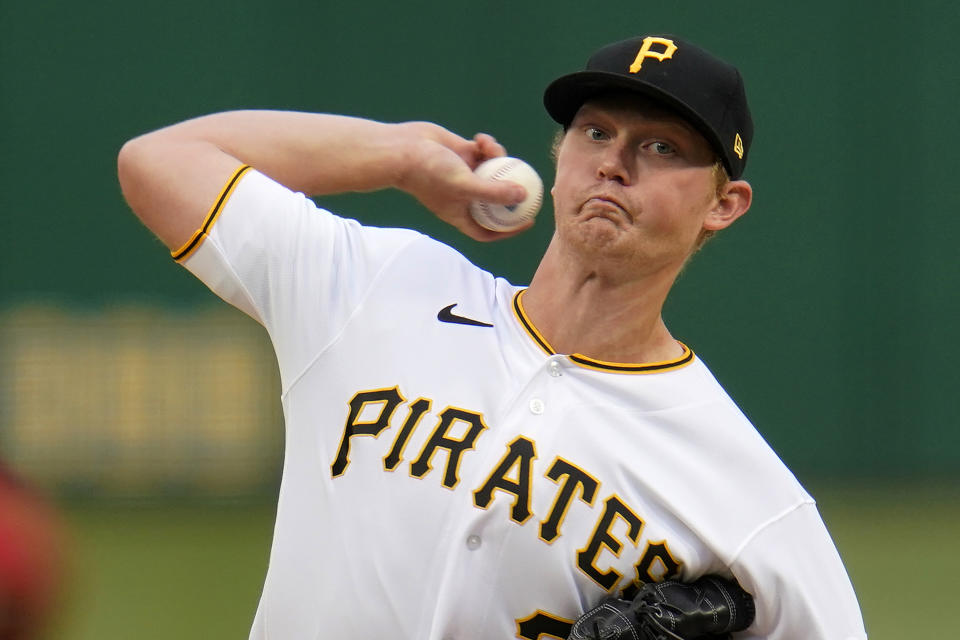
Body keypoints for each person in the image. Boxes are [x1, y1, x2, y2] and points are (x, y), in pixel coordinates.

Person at [117, 34, 867, 640]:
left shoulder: (746, 492)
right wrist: (400, 157)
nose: (613, 162)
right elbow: (159, 162)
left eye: (661, 147)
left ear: (725, 204)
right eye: (595, 131)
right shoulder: (381, 288)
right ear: (560, 154)